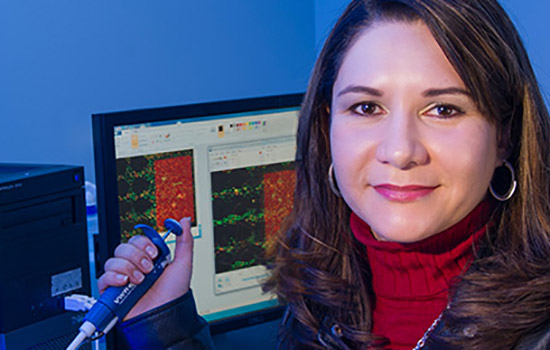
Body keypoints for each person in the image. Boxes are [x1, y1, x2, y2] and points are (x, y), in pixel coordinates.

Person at [98, 0, 550, 349]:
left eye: (444, 109)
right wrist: (165, 321)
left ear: (504, 137)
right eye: (367, 107)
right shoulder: (320, 294)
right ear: (326, 127)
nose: (400, 151)